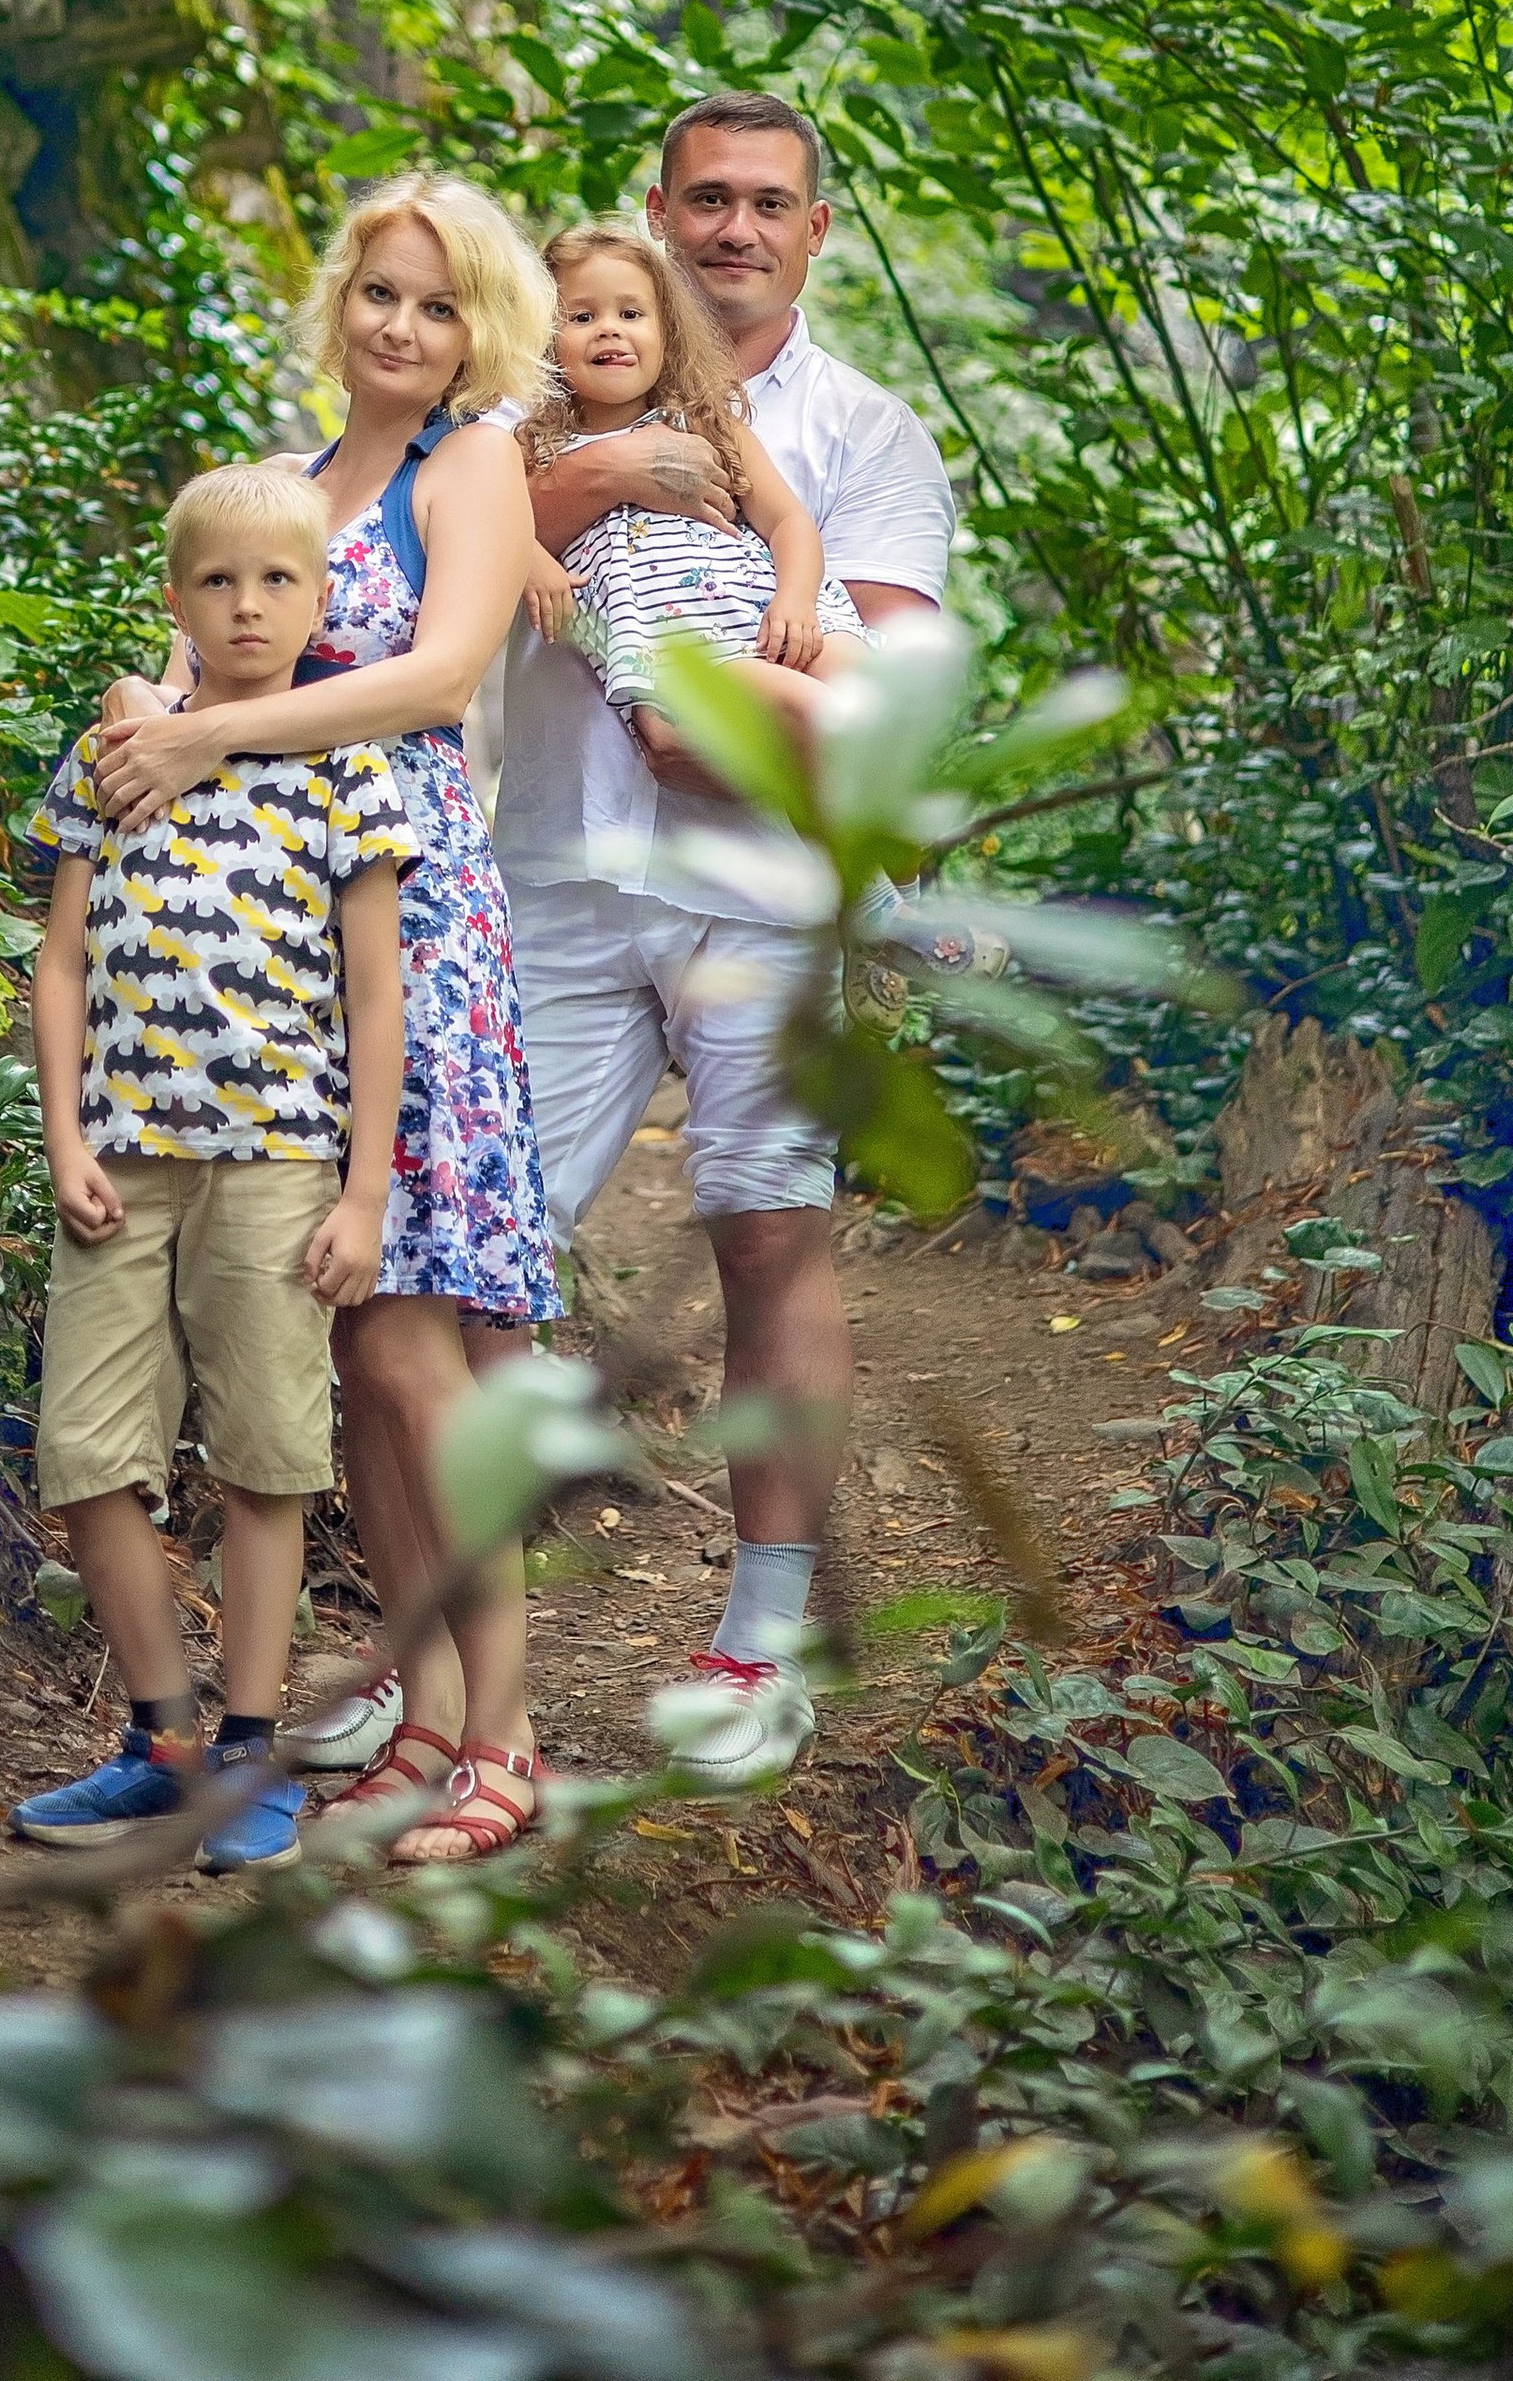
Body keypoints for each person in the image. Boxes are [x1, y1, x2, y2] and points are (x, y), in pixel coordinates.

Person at [91, 177, 561, 1867]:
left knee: (426, 1350)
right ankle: (425, 1713)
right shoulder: (282, 489)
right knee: (347, 1340)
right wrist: (150, 711)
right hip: (263, 956)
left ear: (475, 330)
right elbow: (190, 664)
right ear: (339, 302)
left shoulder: (476, 461)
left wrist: (225, 738)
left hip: (412, 920)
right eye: (382, 294)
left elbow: (440, 678)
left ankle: (508, 1738)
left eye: (439, 306)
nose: (404, 329)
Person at [491, 92, 956, 1791]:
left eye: (770, 202)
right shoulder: (541, 391)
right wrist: (595, 476)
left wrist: (737, 696)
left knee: (771, 1241)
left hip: (764, 897)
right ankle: (452, 1672)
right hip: (551, 872)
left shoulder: (859, 433)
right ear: (659, 215)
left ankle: (762, 1636)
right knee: (472, 1258)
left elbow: (889, 693)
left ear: (816, 230)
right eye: (706, 199)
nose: (735, 228)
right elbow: (416, 573)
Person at [9, 462, 413, 1873]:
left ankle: (250, 1753)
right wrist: (65, 1137)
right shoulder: (110, 758)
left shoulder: (346, 772)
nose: (249, 606)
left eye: (279, 581)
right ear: (177, 602)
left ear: (319, 605)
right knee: (86, 1457)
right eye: (220, 582)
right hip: (122, 1163)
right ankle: (162, 1740)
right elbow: (60, 964)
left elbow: (376, 998)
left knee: (265, 1460)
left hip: (280, 1164)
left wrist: (364, 1194)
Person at [521, 222, 869, 759]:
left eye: (631, 314)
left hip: (777, 609)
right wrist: (530, 559)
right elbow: (482, 531)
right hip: (688, 651)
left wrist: (795, 599)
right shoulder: (532, 446)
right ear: (542, 337)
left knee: (869, 703)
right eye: (582, 317)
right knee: (822, 721)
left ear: (668, 331)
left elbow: (788, 522)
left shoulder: (707, 422)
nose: (609, 330)